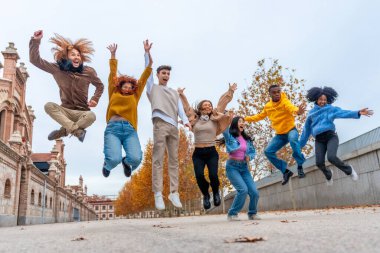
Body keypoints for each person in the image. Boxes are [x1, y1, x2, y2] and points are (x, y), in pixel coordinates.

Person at [29, 30, 104, 142]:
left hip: (82, 113)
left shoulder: (88, 72)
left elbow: (100, 86)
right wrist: (35, 41)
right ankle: (77, 131)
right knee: (48, 106)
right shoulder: (57, 69)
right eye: (73, 54)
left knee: (91, 116)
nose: (76, 57)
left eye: (78, 55)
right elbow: (35, 60)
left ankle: (63, 131)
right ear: (66, 57)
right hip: (65, 111)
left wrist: (95, 99)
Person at [177, 83, 236, 209]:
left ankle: (215, 192)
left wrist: (230, 91)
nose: (208, 106)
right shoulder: (195, 119)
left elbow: (222, 103)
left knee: (213, 175)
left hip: (211, 152)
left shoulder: (215, 118)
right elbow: (187, 108)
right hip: (198, 152)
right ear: (201, 108)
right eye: (206, 105)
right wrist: (182, 95)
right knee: (199, 176)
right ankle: (206, 195)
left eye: (210, 105)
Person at [299, 86, 373, 185]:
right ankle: (328, 175)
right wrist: (299, 146)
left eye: (325, 100)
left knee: (331, 157)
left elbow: (343, 113)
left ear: (327, 100)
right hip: (319, 140)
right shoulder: (311, 114)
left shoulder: (330, 109)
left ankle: (349, 170)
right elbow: (306, 131)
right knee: (319, 163)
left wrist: (357, 112)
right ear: (316, 99)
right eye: (321, 99)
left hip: (331, 137)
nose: (323, 101)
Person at [145, 54, 191, 210]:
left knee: (174, 161)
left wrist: (185, 121)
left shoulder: (174, 92)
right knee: (158, 159)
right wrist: (147, 55)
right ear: (158, 75)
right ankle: (158, 193)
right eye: (163, 73)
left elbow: (180, 110)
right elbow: (147, 73)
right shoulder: (152, 88)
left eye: (168, 73)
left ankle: (174, 192)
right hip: (160, 124)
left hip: (173, 127)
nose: (166, 75)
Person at [102, 41, 153, 178]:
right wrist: (113, 55)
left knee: (136, 159)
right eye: (125, 86)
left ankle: (126, 161)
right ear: (120, 86)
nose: (128, 88)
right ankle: (107, 165)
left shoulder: (135, 96)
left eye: (130, 87)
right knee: (113, 159)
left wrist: (147, 53)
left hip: (130, 130)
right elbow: (112, 73)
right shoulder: (113, 92)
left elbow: (144, 77)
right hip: (113, 129)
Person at [245, 85, 306, 185]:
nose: (277, 94)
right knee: (268, 151)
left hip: (291, 130)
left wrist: (298, 112)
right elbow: (259, 116)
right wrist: (245, 118)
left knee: (293, 140)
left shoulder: (284, 101)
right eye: (274, 92)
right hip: (280, 135)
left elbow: (291, 108)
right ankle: (285, 171)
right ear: (270, 94)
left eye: (278, 91)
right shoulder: (268, 106)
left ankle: (300, 165)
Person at [222, 116, 260, 221]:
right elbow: (224, 128)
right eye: (240, 121)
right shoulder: (229, 136)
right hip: (232, 167)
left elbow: (252, 152)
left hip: (244, 167)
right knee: (243, 190)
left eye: (243, 121)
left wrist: (249, 157)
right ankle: (232, 214)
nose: (242, 123)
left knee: (254, 192)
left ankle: (252, 213)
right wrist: (226, 118)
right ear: (235, 124)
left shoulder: (247, 139)